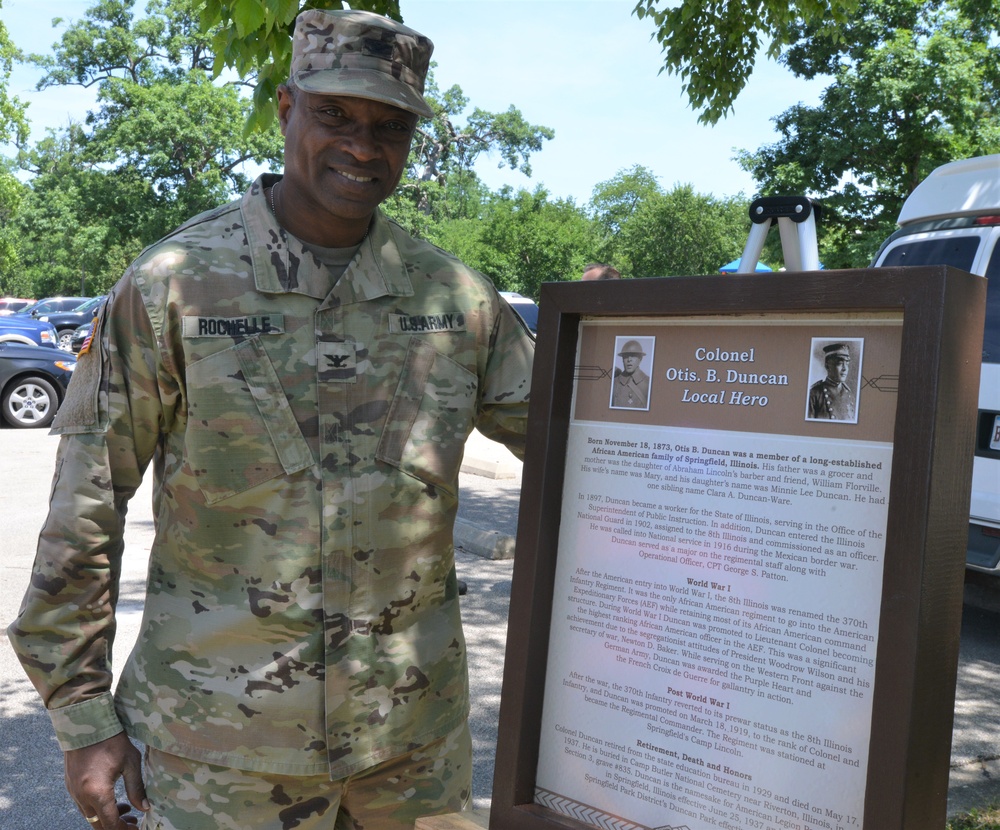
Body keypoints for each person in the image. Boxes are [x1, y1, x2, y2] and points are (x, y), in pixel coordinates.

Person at [7, 10, 533, 830]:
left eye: (390, 127)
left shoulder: (456, 302)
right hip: (222, 756)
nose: (363, 146)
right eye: (335, 116)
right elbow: (85, 506)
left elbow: (586, 450)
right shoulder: (172, 286)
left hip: (411, 754)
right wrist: (83, 719)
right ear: (287, 109)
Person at [808, 343, 855, 420]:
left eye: (847, 363)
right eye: (839, 363)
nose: (845, 368)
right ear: (827, 366)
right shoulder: (814, 394)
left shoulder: (849, 394)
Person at [611, 340, 650, 408]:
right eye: (626, 356)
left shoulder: (649, 383)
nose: (629, 359)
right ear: (622, 359)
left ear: (640, 359)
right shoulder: (614, 383)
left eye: (633, 356)